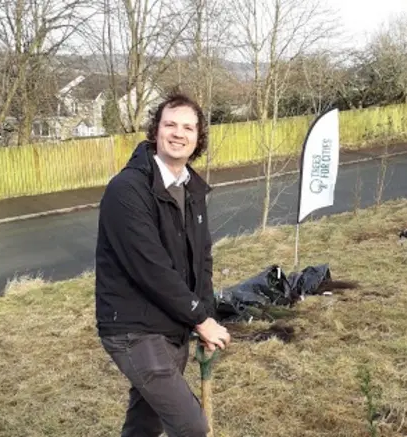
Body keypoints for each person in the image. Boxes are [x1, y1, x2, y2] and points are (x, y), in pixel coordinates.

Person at [94, 92, 231, 437]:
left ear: (198, 139)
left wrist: (207, 315)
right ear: (155, 131)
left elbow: (201, 261)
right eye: (170, 124)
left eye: (188, 127)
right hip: (133, 329)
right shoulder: (127, 190)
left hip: (171, 325)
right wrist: (199, 319)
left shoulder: (192, 190)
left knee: (145, 422)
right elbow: (150, 268)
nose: (178, 133)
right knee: (190, 426)